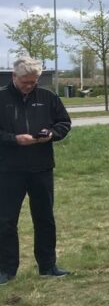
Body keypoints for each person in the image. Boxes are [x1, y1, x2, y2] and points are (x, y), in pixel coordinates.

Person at [0, 57, 72, 283]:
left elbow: (64, 122)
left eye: (33, 82)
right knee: (6, 220)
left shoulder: (48, 97)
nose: (29, 86)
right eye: (25, 82)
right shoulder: (1, 98)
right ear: (14, 77)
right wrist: (14, 139)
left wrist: (52, 134)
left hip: (41, 167)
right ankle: (6, 269)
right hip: (8, 169)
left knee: (44, 218)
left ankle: (48, 265)